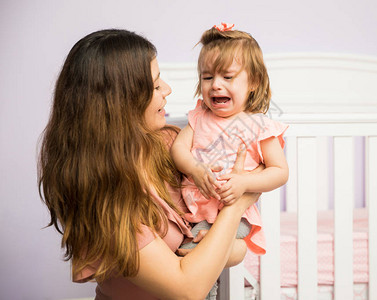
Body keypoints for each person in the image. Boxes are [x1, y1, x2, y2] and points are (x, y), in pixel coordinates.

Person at [38, 28, 261, 300]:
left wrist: (217, 245)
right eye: (155, 86)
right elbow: (187, 288)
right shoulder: (104, 197)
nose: (167, 89)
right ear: (121, 102)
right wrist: (236, 204)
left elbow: (236, 247)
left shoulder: (169, 145)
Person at [171, 23, 289, 257]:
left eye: (227, 76)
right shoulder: (199, 117)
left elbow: (280, 171)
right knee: (190, 259)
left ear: (253, 82)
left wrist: (244, 183)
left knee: (193, 257)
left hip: (236, 216)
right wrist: (195, 169)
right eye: (207, 77)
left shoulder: (259, 126)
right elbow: (178, 148)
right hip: (194, 214)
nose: (215, 85)